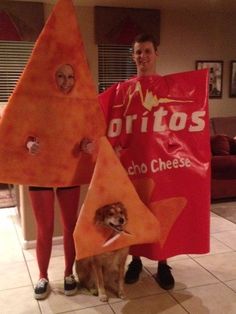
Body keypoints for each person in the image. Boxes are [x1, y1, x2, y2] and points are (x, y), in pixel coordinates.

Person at [99, 33, 175, 290]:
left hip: (162, 166)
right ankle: (136, 261)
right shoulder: (124, 91)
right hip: (132, 167)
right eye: (138, 52)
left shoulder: (170, 88)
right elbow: (112, 123)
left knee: (160, 214)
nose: (143, 56)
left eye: (147, 51)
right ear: (133, 56)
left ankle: (163, 264)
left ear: (156, 54)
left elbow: (179, 129)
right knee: (134, 213)